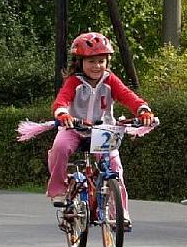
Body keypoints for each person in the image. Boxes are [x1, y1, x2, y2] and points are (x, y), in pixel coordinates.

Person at [47, 32, 154, 227]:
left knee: (115, 168)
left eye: (101, 61)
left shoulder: (110, 80)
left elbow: (128, 96)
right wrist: (62, 114)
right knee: (60, 147)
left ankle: (118, 214)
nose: (97, 66)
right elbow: (61, 100)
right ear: (80, 62)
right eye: (91, 61)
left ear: (107, 62)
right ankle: (58, 190)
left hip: (103, 131)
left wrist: (143, 110)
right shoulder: (74, 82)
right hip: (75, 128)